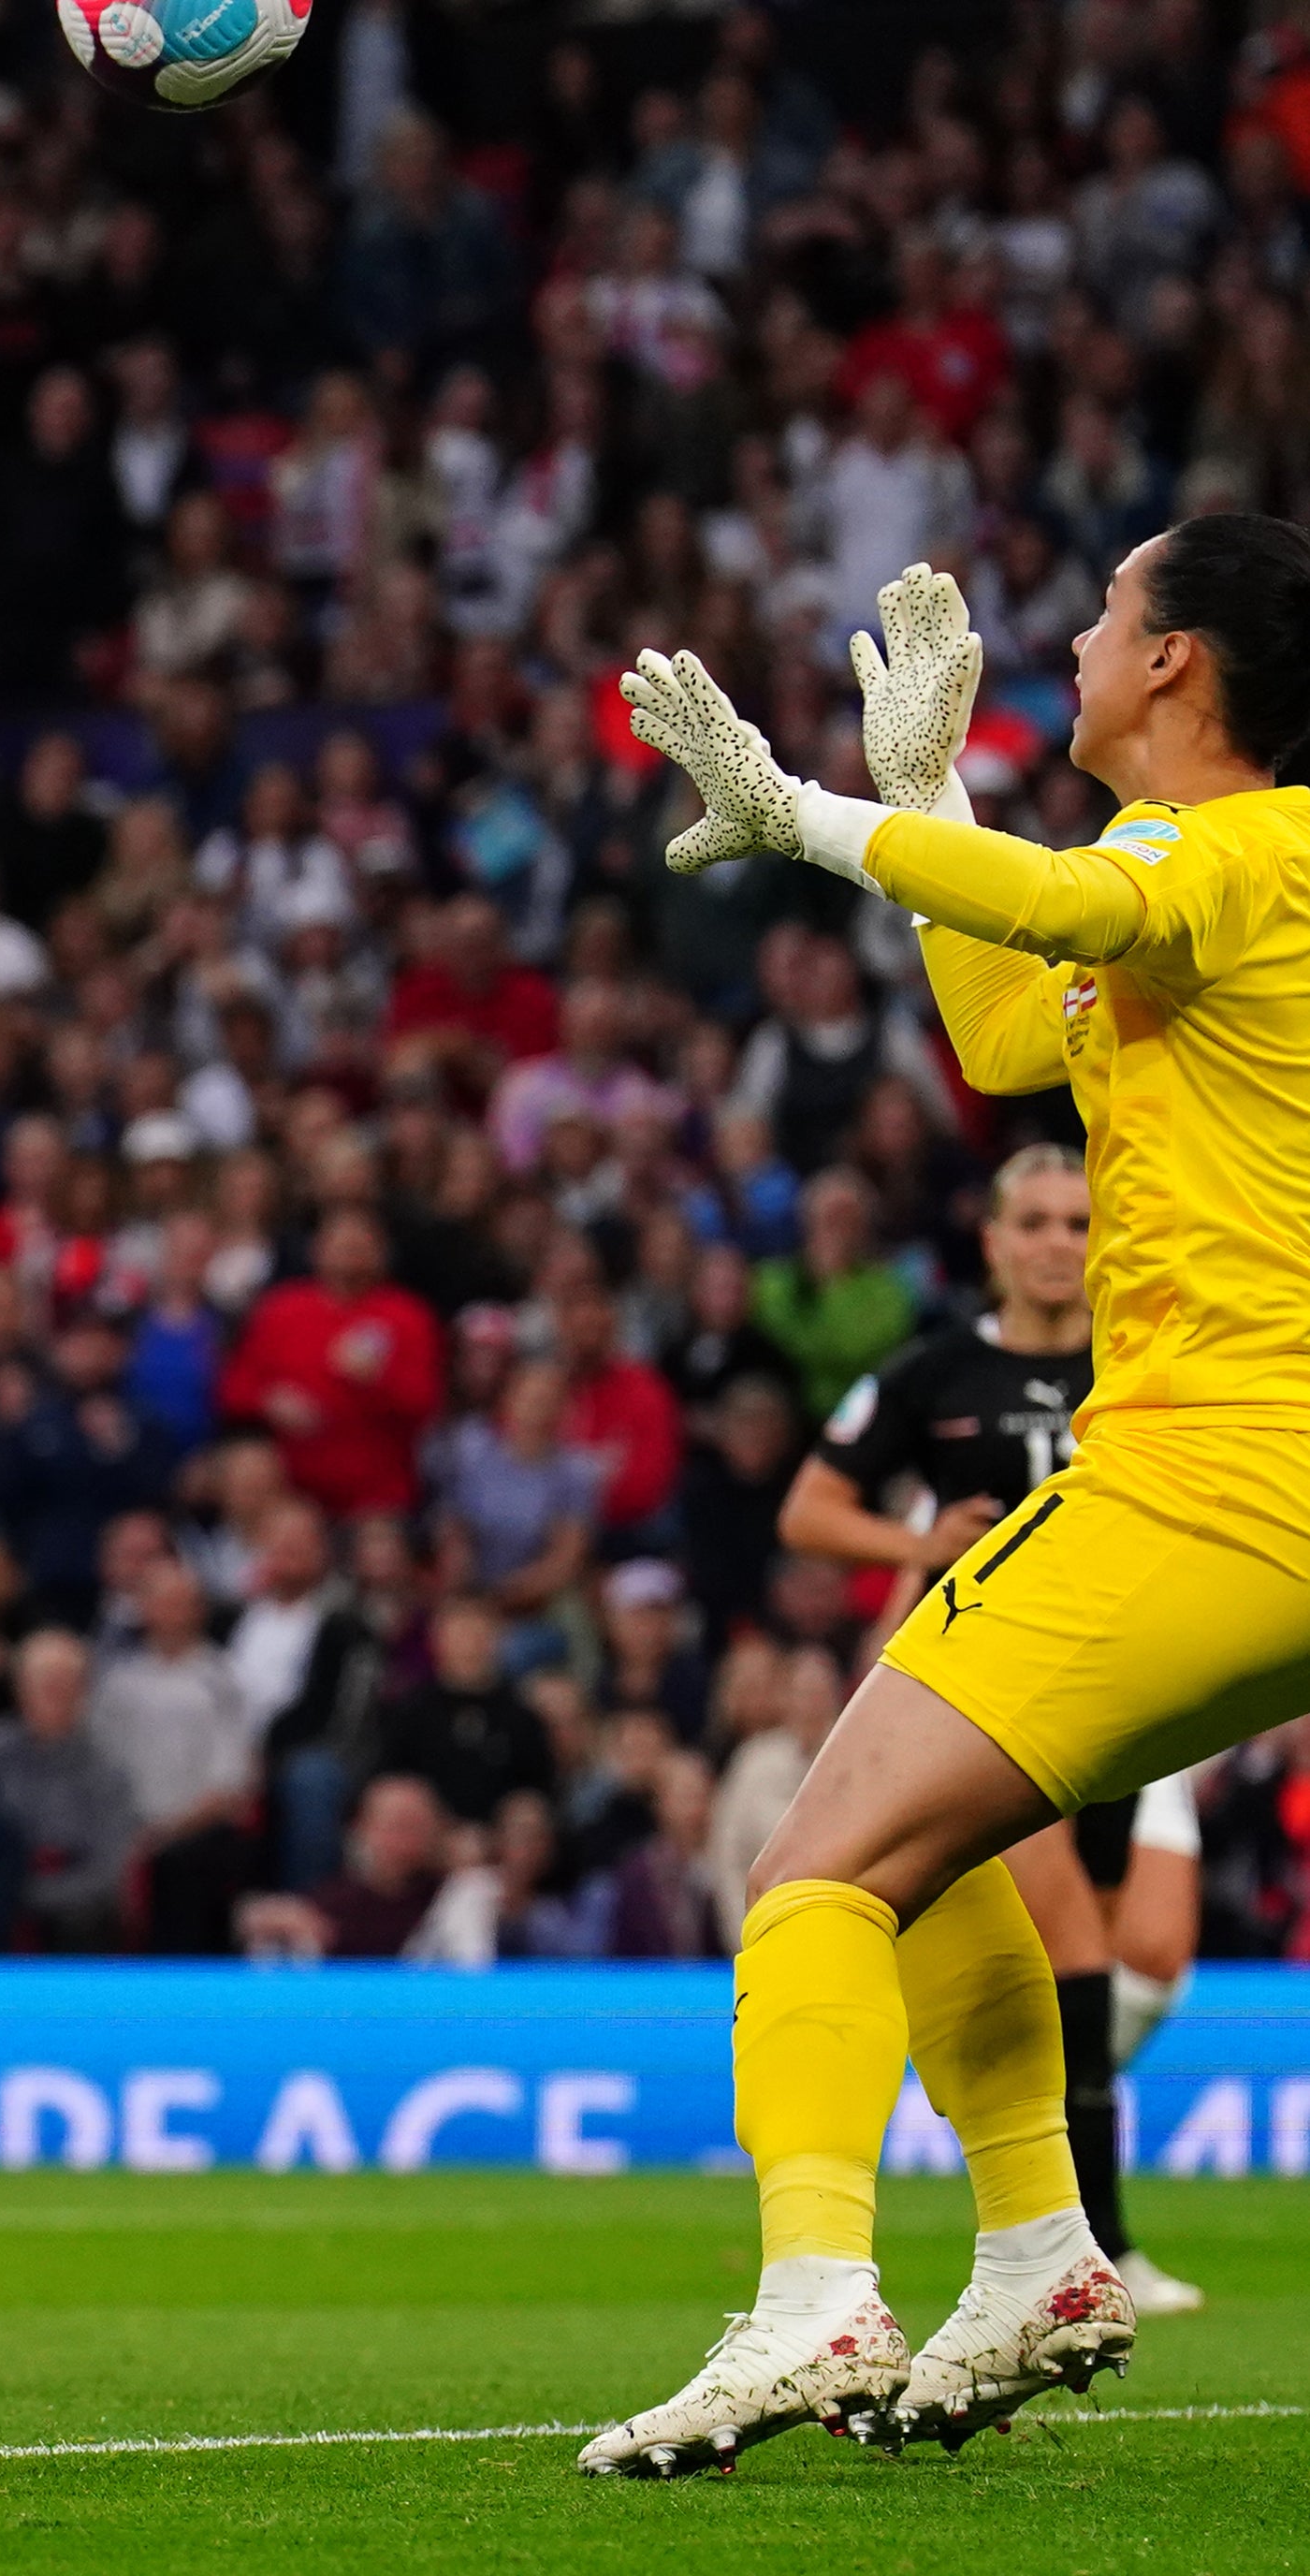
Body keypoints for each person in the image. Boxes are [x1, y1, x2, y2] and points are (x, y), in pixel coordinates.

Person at [595, 533, 1310, 2471]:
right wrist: (928, 801)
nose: (1064, 643)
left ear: (1171, 663)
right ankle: (1034, 2252)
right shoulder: (1179, 904)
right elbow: (1012, 1029)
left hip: (1210, 1474)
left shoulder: (1238, 851)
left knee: (810, 1871)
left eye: (1095, 617)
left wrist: (814, 815)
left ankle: (811, 2291)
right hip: (1230, 1487)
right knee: (936, 1846)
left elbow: (1068, 897)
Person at [771, 1140, 1198, 2307]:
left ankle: (997, 2096)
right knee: (1077, 1954)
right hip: (1007, 1693)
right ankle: (1092, 2239)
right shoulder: (934, 1374)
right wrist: (919, 1546)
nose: (1060, 1244)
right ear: (996, 1241)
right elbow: (808, 1510)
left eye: (1078, 1222)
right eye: (1038, 1222)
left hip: (1144, 1689)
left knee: (1148, 1961)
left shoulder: (1148, 1360)